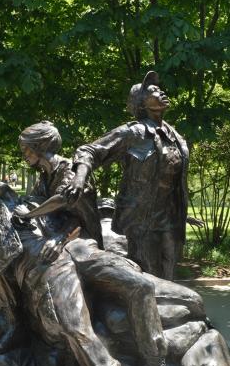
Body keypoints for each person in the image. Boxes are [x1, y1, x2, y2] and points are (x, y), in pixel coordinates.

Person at [0, 121, 167, 366]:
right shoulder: (42, 179)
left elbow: (68, 206)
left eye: (26, 149)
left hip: (84, 245)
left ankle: (154, 357)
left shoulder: (71, 171)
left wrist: (53, 233)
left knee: (142, 285)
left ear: (39, 146)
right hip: (59, 255)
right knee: (73, 325)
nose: (24, 155)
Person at [64, 71, 190, 281]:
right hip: (140, 218)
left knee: (169, 269)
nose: (161, 92)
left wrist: (181, 208)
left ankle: (168, 311)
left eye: (160, 89)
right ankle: (147, 312)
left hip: (170, 216)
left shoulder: (175, 136)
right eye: (153, 91)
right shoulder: (134, 133)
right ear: (141, 103)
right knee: (150, 273)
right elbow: (89, 151)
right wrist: (79, 178)